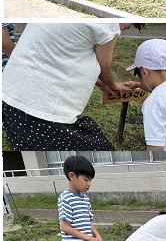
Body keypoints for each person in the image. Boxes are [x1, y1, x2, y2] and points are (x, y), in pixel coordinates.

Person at [2, 23, 132, 149]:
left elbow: (66, 56)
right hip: (40, 112)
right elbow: (105, 69)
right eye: (126, 27)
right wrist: (114, 85)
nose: (121, 31)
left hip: (12, 97)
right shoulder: (108, 23)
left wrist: (103, 86)